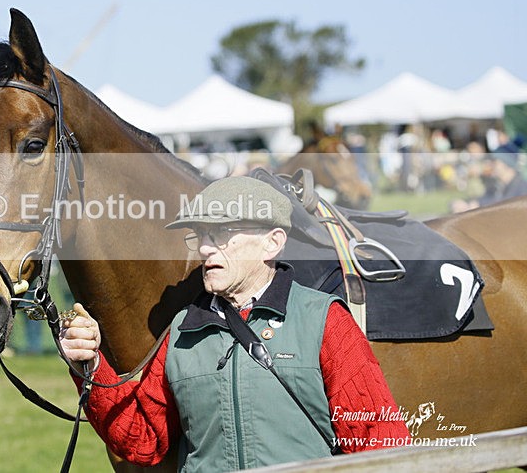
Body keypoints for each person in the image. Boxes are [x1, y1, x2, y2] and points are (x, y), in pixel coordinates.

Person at [60, 176, 409, 470]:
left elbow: (380, 444)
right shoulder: (181, 330)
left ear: (272, 243)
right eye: (200, 235)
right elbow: (143, 438)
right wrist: (89, 364)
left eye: (222, 232)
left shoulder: (324, 319)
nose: (205, 249)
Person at [450, 141, 527, 213]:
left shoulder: (522, 188)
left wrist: (479, 206)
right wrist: (466, 203)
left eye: (494, 162)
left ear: (507, 163)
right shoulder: (498, 185)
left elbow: (506, 205)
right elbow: (488, 198)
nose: (490, 165)